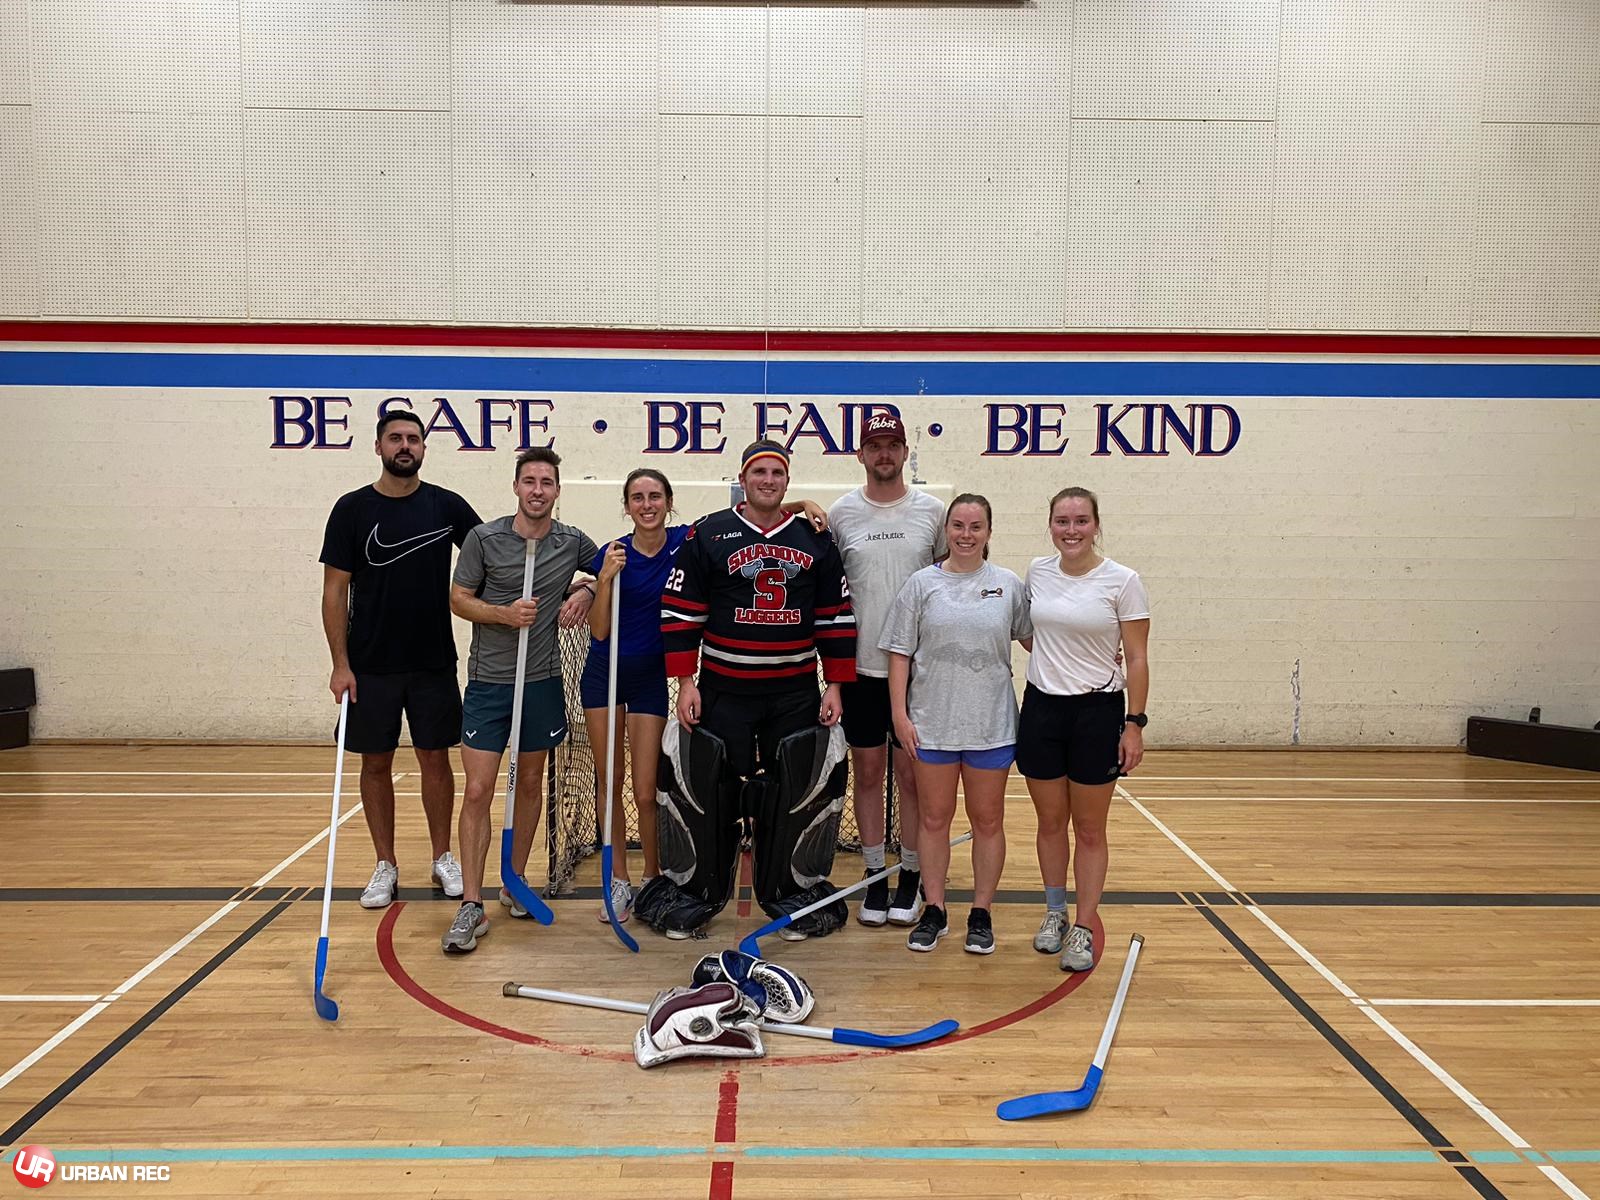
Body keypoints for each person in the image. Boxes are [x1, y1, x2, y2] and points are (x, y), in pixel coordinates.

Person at [583, 471, 832, 925]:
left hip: (651, 679)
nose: (646, 505)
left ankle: (653, 875)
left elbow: (753, 513)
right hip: (607, 673)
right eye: (637, 498)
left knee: (646, 788)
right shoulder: (613, 552)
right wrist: (600, 582)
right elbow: (599, 630)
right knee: (608, 781)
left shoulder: (689, 539)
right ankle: (618, 879)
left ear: (669, 501)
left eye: (655, 496)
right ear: (626, 506)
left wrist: (802, 504)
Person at [644, 439, 857, 941]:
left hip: (795, 691)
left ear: (787, 480)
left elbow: (835, 617)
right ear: (744, 477)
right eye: (758, 471)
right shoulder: (708, 533)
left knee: (793, 794)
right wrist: (686, 682)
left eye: (776, 473)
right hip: (723, 689)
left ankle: (788, 893)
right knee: (711, 790)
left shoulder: (815, 538)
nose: (767, 480)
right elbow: (681, 611)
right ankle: (697, 892)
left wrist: (837, 686)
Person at [319, 409, 481, 909]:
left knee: (436, 759)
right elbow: (333, 591)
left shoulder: (446, 506)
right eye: (395, 438)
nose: (404, 446)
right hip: (369, 665)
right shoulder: (351, 510)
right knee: (376, 762)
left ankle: (442, 857)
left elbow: (492, 553)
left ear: (424, 448)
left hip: (432, 661)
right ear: (379, 447)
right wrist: (340, 664)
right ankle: (384, 864)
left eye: (413, 438)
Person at [439, 448, 599, 953]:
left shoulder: (571, 541)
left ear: (557, 490)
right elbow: (458, 598)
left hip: (543, 681)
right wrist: (504, 615)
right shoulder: (484, 539)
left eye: (546, 482)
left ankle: (515, 882)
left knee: (531, 780)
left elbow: (616, 566)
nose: (537, 490)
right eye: (529, 481)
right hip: (490, 684)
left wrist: (588, 591)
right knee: (480, 790)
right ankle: (470, 902)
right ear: (515, 487)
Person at [881, 494, 1031, 954]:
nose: (966, 534)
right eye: (958, 526)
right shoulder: (920, 586)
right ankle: (935, 909)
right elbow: (899, 655)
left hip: (991, 725)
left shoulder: (1007, 585)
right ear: (946, 530)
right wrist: (900, 715)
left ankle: (981, 912)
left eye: (976, 526)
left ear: (989, 532)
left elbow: (1037, 641)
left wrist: (1102, 651)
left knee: (988, 820)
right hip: (932, 725)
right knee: (933, 819)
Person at [1016, 486, 1150, 972]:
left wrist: (1133, 723)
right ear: (1050, 525)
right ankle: (1055, 912)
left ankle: (1084, 923)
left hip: (1097, 714)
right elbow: (1035, 636)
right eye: (1062, 521)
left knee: (1090, 828)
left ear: (1096, 525)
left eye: (1080, 520)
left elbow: (1136, 657)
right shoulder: (1037, 571)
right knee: (1050, 823)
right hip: (1041, 711)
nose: (1071, 530)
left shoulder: (1123, 580)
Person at [827, 412, 945, 927]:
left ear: (905, 451)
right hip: (861, 670)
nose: (884, 454)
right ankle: (876, 877)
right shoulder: (840, 514)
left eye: (892, 444)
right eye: (873, 445)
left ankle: (912, 878)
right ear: (860, 453)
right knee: (869, 774)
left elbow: (955, 582)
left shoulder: (933, 512)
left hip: (922, 674)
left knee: (915, 780)